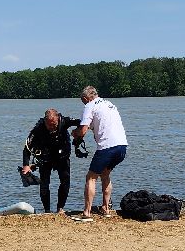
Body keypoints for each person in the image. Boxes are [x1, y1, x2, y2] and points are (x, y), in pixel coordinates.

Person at [71, 86, 127, 221]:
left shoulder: (89, 106)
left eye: (82, 101)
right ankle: (106, 209)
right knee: (105, 174)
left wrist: (74, 133)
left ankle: (87, 213)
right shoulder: (109, 104)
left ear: (85, 98)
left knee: (91, 178)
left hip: (107, 147)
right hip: (122, 146)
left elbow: (83, 130)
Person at [20, 108, 81, 214]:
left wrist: (79, 133)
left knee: (65, 181)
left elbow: (82, 122)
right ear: (44, 121)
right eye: (49, 125)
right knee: (44, 183)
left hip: (62, 156)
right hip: (45, 157)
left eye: (54, 125)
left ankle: (60, 208)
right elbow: (27, 148)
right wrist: (26, 165)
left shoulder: (64, 121)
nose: (52, 128)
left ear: (58, 119)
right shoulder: (38, 128)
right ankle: (47, 210)